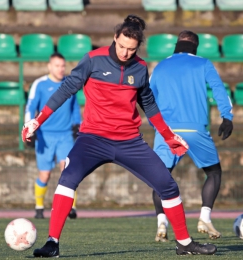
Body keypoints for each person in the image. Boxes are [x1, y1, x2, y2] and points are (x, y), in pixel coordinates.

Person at [22, 15, 217, 257]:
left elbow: (149, 105)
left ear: (138, 48)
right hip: (92, 139)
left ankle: (184, 243)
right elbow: (65, 90)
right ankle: (52, 243)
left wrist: (168, 136)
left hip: (129, 142)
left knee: (168, 186)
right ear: (115, 38)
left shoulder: (141, 67)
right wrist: (37, 121)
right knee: (67, 178)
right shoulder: (93, 60)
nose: (125, 52)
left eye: (131, 49)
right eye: (122, 45)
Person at [149, 30, 233, 242]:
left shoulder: (160, 66)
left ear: (177, 44)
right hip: (195, 129)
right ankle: (204, 216)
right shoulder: (203, 63)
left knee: (161, 179)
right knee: (213, 173)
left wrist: (155, 126)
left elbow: (147, 98)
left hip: (167, 131)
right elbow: (218, 89)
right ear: (195, 47)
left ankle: (161, 222)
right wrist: (227, 116)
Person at [25, 52, 81, 219]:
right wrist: (29, 128)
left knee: (68, 171)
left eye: (63, 65)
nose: (61, 69)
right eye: (57, 65)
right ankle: (39, 207)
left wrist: (77, 125)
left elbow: (75, 108)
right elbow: (30, 107)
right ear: (49, 66)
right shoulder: (39, 84)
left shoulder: (69, 83)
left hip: (65, 136)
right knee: (45, 174)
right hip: (45, 136)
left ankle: (71, 208)